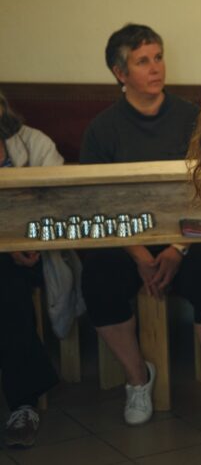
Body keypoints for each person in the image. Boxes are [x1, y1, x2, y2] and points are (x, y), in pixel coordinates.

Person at [79, 24, 201, 433]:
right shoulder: (102, 129)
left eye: (158, 57)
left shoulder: (191, 118)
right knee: (98, 278)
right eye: (143, 61)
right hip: (128, 240)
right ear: (120, 73)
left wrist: (177, 249)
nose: (155, 67)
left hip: (186, 238)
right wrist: (141, 255)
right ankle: (138, 378)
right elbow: (99, 204)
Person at [0, 91, 62, 449]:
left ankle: (22, 403)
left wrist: (30, 243)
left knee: (7, 286)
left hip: (36, 255)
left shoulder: (34, 143)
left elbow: (59, 201)